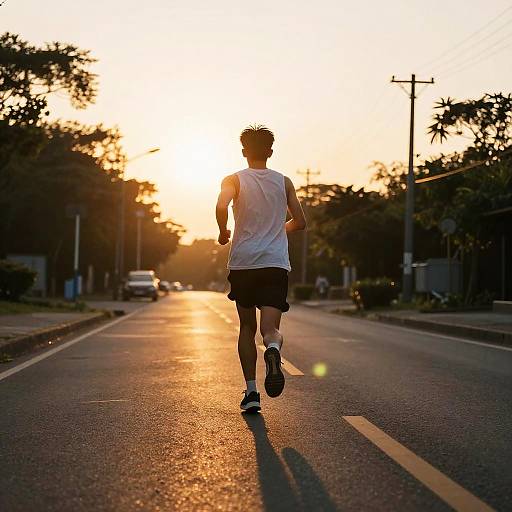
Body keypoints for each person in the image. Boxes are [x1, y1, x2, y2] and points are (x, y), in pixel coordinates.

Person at [216, 125, 306, 412]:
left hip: (243, 264)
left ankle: (252, 392)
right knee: (270, 329)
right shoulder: (284, 182)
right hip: (275, 264)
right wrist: (277, 232)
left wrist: (223, 231)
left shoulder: (234, 180)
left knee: (246, 327)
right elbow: (301, 222)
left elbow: (221, 204)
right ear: (270, 151)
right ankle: (273, 349)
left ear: (244, 152)